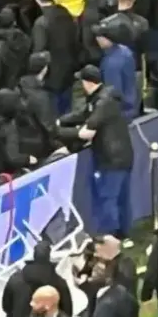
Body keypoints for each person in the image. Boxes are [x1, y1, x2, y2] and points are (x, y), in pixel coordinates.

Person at [61, 68, 133, 238]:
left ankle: (109, 238)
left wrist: (57, 131)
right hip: (124, 154)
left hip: (110, 158)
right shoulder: (103, 97)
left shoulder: (103, 102)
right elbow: (83, 114)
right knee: (122, 198)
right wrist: (61, 120)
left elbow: (87, 132)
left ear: (88, 82)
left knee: (108, 199)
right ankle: (125, 234)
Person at [31, 0, 79, 115]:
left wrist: (38, 76)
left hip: (52, 76)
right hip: (69, 67)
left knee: (54, 111)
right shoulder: (65, 12)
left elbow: (39, 52)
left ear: (37, 0)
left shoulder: (41, 23)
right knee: (67, 107)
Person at [93, 22, 138, 121]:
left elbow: (112, 93)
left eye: (100, 36)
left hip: (120, 115)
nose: (97, 39)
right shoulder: (125, 50)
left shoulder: (111, 64)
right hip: (131, 107)